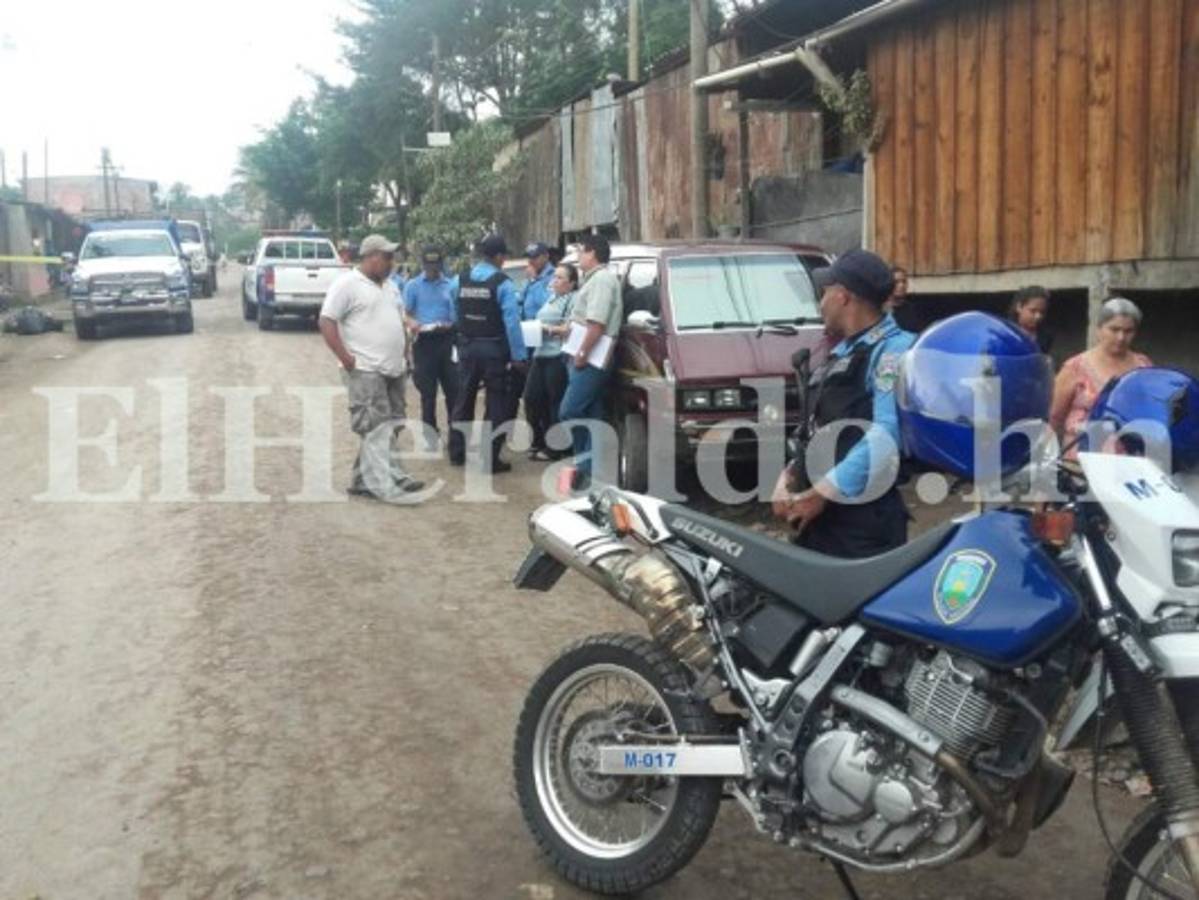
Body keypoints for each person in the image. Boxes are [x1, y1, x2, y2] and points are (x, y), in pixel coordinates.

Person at [772, 249, 917, 558]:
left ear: (842, 296)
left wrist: (822, 492)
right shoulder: (843, 352)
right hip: (820, 521)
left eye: (823, 293)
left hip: (861, 529)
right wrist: (787, 478)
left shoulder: (893, 351)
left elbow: (886, 434)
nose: (819, 303)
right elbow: (816, 429)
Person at [318, 234, 424, 500]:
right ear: (371, 256)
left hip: (394, 368)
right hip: (365, 368)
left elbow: (399, 318)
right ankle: (388, 482)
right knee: (376, 427)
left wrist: (406, 348)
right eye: (387, 257)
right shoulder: (347, 285)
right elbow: (327, 321)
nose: (392, 262)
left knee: (392, 423)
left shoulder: (391, 286)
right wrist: (346, 358)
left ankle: (361, 480)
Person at [449, 233, 526, 473]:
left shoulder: (458, 280)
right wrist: (519, 355)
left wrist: (461, 337)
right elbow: (512, 323)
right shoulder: (502, 283)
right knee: (495, 403)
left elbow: (454, 311)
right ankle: (489, 459)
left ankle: (457, 453)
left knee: (463, 400)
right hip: (493, 350)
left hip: (468, 348)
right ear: (499, 257)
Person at [559, 233, 622, 490]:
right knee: (592, 414)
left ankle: (585, 467)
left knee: (569, 410)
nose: (578, 257)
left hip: (591, 356)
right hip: (583, 350)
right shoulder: (593, 280)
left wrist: (582, 353)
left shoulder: (602, 281)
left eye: (581, 252)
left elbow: (597, 323)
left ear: (593, 253)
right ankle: (591, 472)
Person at [1049, 296, 1152, 453]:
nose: (1121, 337)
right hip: (1080, 465)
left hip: (1129, 463)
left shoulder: (1143, 366)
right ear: (1099, 329)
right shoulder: (1075, 368)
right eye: (1114, 329)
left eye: (1128, 331)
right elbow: (1054, 417)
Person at [403, 246, 459, 450]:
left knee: (453, 390)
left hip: (446, 340)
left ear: (440, 263)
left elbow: (456, 314)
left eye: (435, 264)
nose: (432, 268)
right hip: (424, 342)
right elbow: (406, 313)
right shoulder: (413, 286)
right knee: (428, 394)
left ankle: (455, 436)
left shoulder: (450, 285)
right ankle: (430, 435)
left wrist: (451, 324)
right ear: (423, 264)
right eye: (428, 265)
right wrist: (412, 323)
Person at [524, 263, 578, 460]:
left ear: (571, 284)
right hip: (540, 354)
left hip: (557, 356)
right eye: (554, 276)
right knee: (531, 398)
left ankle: (555, 447)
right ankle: (538, 440)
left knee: (554, 402)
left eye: (560, 278)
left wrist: (546, 329)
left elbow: (569, 329)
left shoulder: (573, 299)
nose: (554, 281)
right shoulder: (551, 298)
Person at [1009, 285, 1053, 354]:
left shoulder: (1045, 337)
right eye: (1033, 311)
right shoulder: (1006, 332)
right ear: (1019, 307)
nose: (1038, 316)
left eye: (1042, 312)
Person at [521, 242, 555, 320]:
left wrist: (534, 281)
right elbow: (522, 298)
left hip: (543, 325)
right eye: (529, 257)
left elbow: (546, 303)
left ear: (546, 256)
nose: (531, 261)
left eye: (535, 257)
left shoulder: (554, 276)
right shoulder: (533, 273)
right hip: (528, 323)